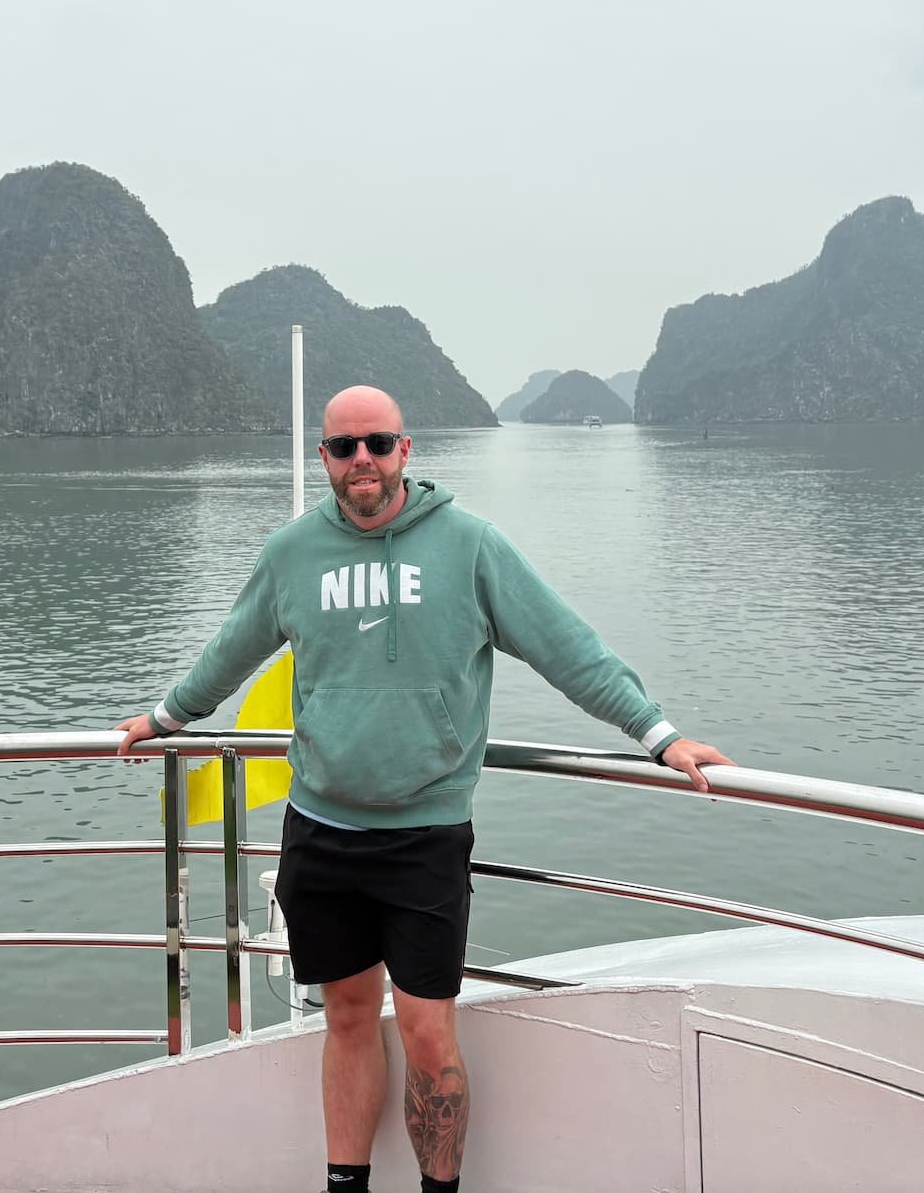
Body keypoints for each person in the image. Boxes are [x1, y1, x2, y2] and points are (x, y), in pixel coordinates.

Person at [114, 385, 732, 1193]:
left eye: (377, 442)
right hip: (321, 827)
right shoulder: (293, 553)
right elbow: (232, 650)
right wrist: (167, 716)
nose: (360, 459)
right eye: (343, 447)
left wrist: (658, 735)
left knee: (428, 1031)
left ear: (407, 450)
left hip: (426, 835)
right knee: (343, 1019)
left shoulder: (470, 547)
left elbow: (566, 647)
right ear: (325, 460)